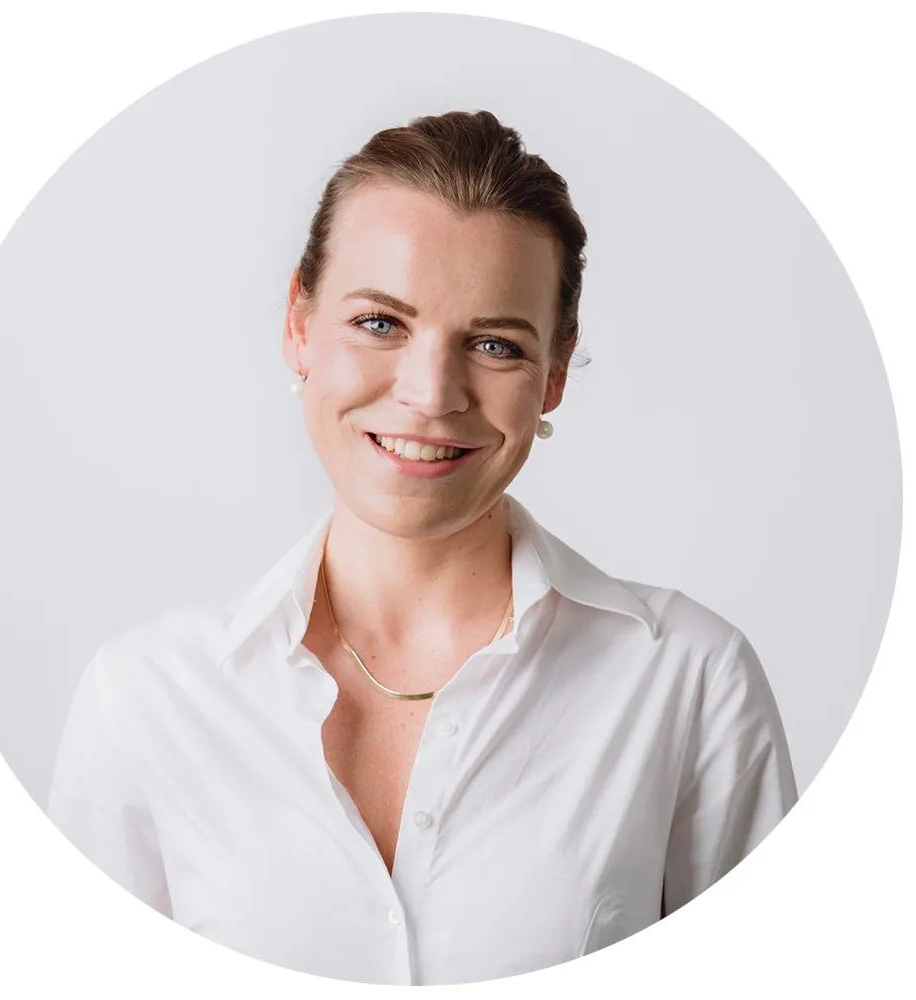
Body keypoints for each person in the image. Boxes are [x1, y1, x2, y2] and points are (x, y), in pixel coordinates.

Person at [46, 109, 798, 985]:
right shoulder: (146, 700)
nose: (431, 393)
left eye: (494, 344)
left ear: (554, 374)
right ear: (299, 320)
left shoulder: (689, 681)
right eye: (380, 322)